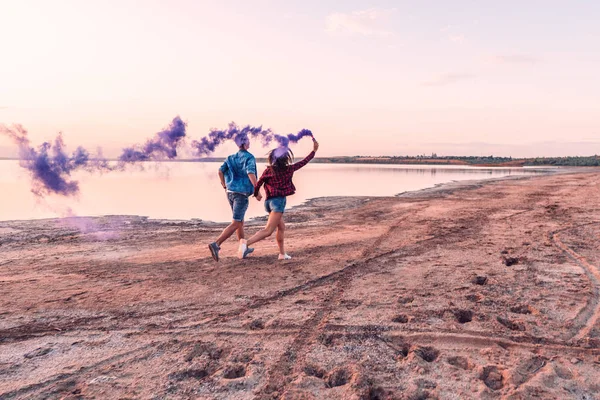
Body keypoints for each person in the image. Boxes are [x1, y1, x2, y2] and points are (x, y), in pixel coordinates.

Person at [238, 139, 319, 260]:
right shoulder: (289, 169)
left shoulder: (268, 170)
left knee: (281, 227)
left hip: (268, 203)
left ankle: (282, 254)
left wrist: (257, 194)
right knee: (268, 230)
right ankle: (246, 243)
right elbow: (304, 162)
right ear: (285, 159)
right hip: (278, 203)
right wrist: (314, 150)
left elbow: (258, 183)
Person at [208, 136, 259, 261]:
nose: (249, 142)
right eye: (248, 140)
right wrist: (257, 190)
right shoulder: (249, 157)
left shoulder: (231, 157)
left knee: (239, 222)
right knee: (236, 222)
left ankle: (243, 248)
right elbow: (250, 173)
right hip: (241, 194)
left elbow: (220, 171)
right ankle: (216, 244)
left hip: (230, 192)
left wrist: (224, 185)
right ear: (245, 143)